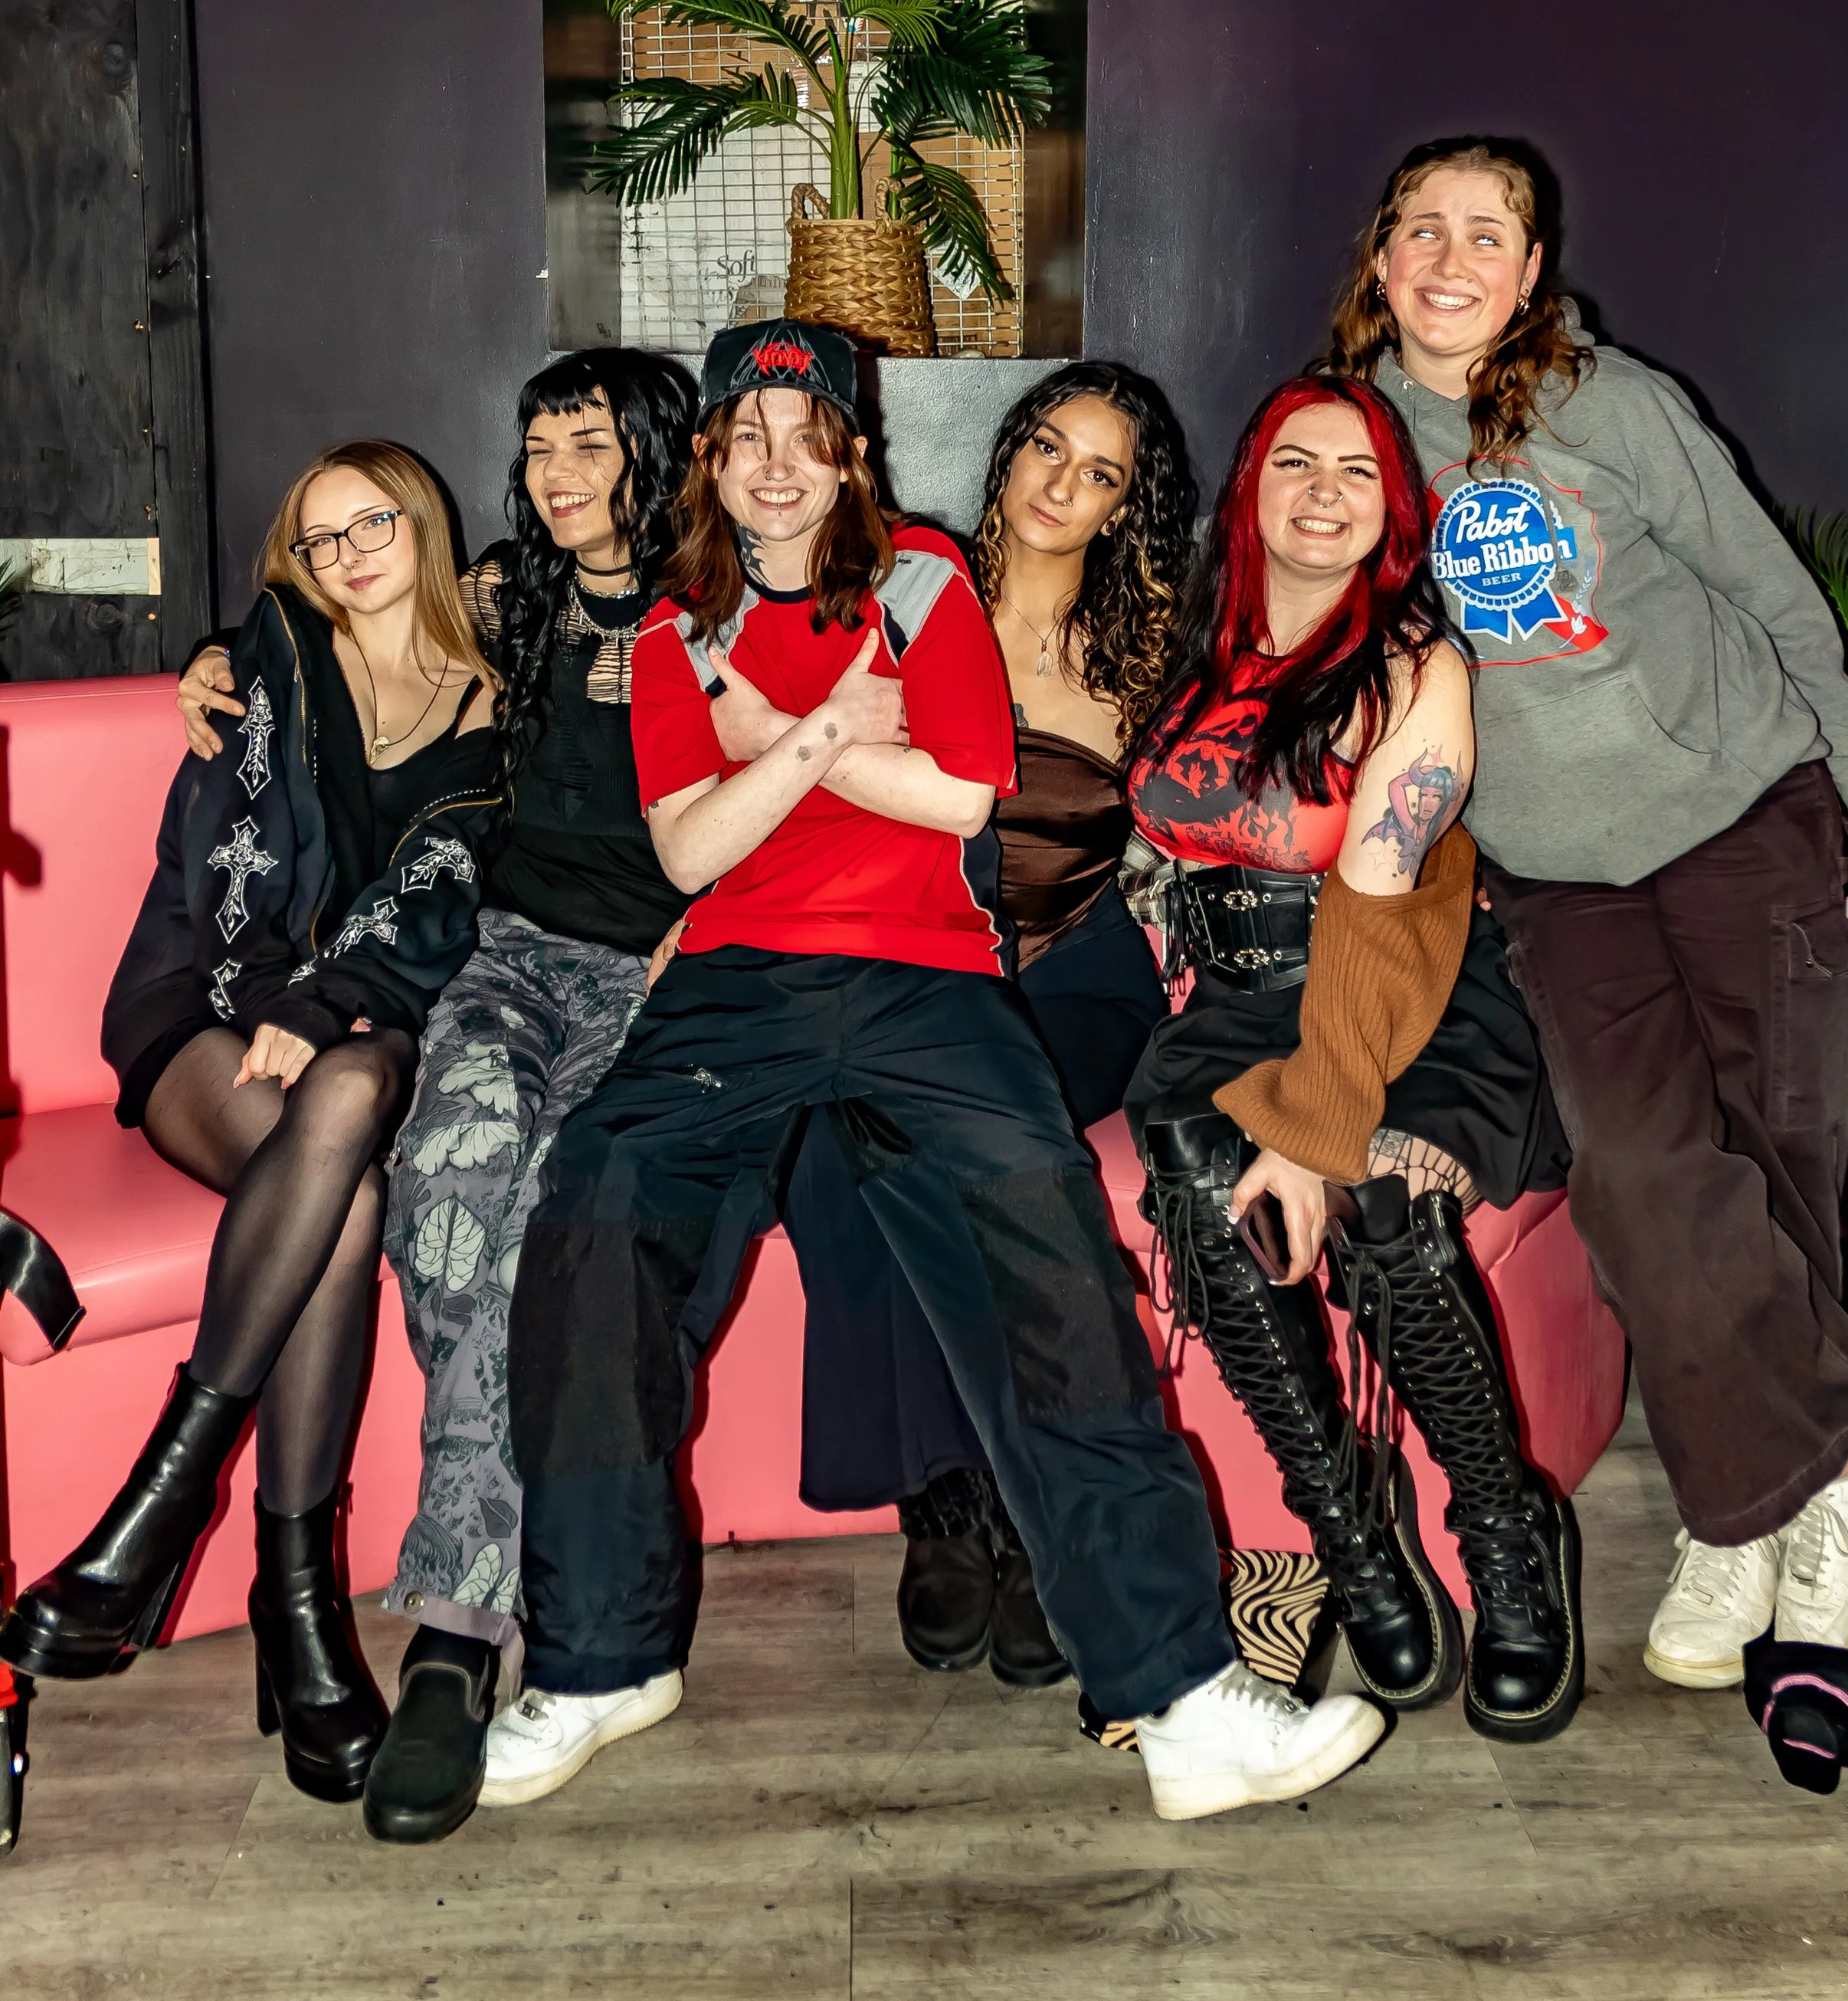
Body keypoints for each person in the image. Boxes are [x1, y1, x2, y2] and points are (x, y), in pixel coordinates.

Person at [483, 318, 1385, 1823]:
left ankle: (1176, 1694)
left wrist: (770, 736)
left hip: (927, 981)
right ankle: (594, 1661)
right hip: (733, 981)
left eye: (808, 432)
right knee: (594, 1215)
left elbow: (961, 788)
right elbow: (690, 847)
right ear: (711, 452)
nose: (778, 465)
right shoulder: (668, 627)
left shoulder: (920, 576)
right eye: (747, 435)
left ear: (850, 448)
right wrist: (838, 729)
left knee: (1047, 1265)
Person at [1327, 134, 1848, 1702]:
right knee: (1644, 1178)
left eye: (1485, 235)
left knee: (1776, 1178)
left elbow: (1772, 590)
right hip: (1554, 872)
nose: (1447, 261)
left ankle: (1742, 1520)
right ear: (1379, 260)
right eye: (1419, 231)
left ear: (1529, 273)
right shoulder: (1349, 440)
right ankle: (1840, 1465)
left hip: (1743, 821)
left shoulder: (1610, 403)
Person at [173, 346, 697, 1846]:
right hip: (503, 968)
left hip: (658, 984)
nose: (554, 470)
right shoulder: (506, 597)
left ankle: (457, 1640)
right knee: (452, 1201)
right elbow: (341, 623)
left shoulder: (717, 615)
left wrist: (702, 940)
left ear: (650, 452)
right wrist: (219, 654)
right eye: (536, 444)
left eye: (588, 442)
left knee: (544, 1225)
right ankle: (478, 1629)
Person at [0, 445, 500, 1808]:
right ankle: (301, 1603)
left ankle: (169, 1532)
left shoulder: (489, 705)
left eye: (372, 523)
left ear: (426, 529)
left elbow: (443, 896)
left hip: (349, 1028)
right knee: (335, 1154)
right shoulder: (263, 663)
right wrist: (290, 998)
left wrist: (336, 1001)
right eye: (318, 536)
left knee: (343, 1124)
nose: (345, 554)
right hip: (201, 1010)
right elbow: (219, 877)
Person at [1125, 372, 1582, 1743]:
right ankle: (1351, 1529)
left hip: (1412, 992)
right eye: (1293, 463)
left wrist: (1319, 1129)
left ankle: (1506, 1528)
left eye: (1358, 472)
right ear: (1250, 486)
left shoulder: (1412, 658)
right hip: (1235, 1001)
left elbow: (1379, 903)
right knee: (1206, 1183)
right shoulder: (1200, 642)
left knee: (1378, 1196)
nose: (1322, 491)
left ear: (1396, 508)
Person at [784, 362, 1196, 1686]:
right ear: (1010, 449)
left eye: (1102, 474)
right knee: (857, 1146)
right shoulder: (899, 595)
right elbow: (706, 603)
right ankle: (948, 1494)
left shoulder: (1153, 650)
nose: (1062, 485)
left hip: (1075, 967)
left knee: (985, 1139)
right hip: (910, 959)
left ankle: (1036, 1508)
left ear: (1129, 508)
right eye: (1048, 448)